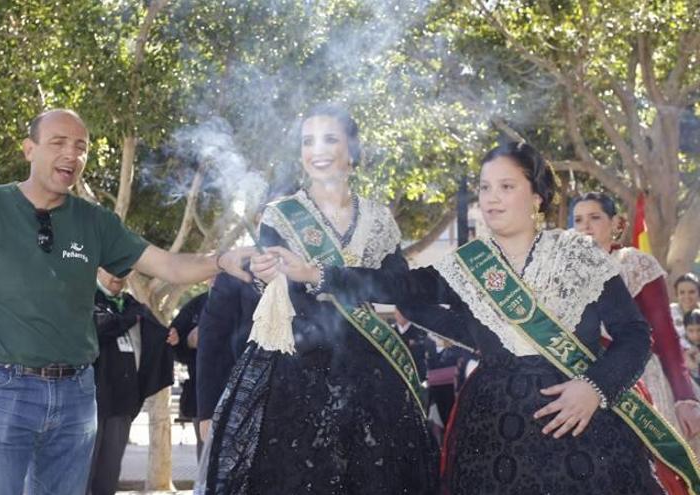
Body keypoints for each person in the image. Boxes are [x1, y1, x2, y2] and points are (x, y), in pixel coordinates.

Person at [273, 141, 673, 494]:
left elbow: (635, 335)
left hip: (583, 425)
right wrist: (318, 274)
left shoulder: (579, 254)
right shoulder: (468, 265)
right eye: (484, 188)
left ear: (537, 196)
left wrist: (593, 389)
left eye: (506, 186)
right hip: (493, 432)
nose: (491, 198)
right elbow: (399, 289)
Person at [0, 109, 254, 495]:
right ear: (29, 150)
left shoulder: (95, 222)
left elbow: (167, 264)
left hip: (77, 395)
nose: (73, 155)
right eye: (59, 143)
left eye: (81, 147)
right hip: (1, 389)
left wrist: (221, 261)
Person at [198, 104, 439, 495]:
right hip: (296, 374)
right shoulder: (281, 215)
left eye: (330, 139)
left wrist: (321, 275)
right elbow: (282, 301)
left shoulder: (378, 219)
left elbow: (396, 287)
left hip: (372, 370)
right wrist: (267, 277)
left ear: (352, 151)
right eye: (308, 141)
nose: (318, 150)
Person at [573, 192, 700, 458]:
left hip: (637, 384)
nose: (585, 226)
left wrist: (684, 397)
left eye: (595, 217)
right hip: (580, 384)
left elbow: (666, 337)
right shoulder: (566, 271)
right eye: (578, 219)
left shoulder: (636, 263)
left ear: (616, 224)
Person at [88, 269, 174, 495]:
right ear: (98, 269)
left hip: (122, 404)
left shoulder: (133, 306)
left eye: (123, 269)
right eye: (111, 269)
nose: (117, 275)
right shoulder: (85, 297)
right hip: (89, 404)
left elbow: (156, 335)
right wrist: (125, 320)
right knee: (82, 474)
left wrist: (169, 337)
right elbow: (95, 331)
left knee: (107, 476)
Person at [195, 272, 259, 443]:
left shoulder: (327, 270)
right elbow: (212, 342)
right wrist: (208, 412)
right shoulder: (238, 274)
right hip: (248, 406)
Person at [170, 290, 209, 459]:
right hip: (202, 395)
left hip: (242, 391)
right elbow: (173, 340)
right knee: (206, 453)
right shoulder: (197, 304)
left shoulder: (253, 297)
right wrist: (189, 341)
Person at [673, 273, 700, 346]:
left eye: (692, 292)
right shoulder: (670, 313)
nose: (687, 296)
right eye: (682, 292)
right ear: (676, 294)